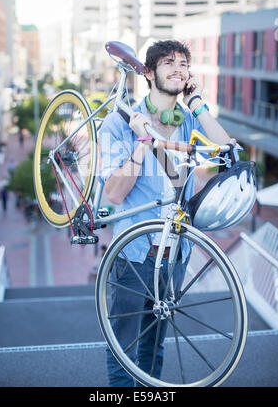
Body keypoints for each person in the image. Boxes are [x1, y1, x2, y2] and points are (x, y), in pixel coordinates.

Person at [98, 39, 235, 387]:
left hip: (175, 254)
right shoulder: (118, 123)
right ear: (148, 72)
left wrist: (198, 102)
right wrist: (142, 144)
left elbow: (229, 154)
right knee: (123, 345)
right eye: (168, 63)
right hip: (132, 256)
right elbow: (114, 193)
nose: (178, 69)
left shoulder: (189, 121)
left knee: (155, 345)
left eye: (184, 65)